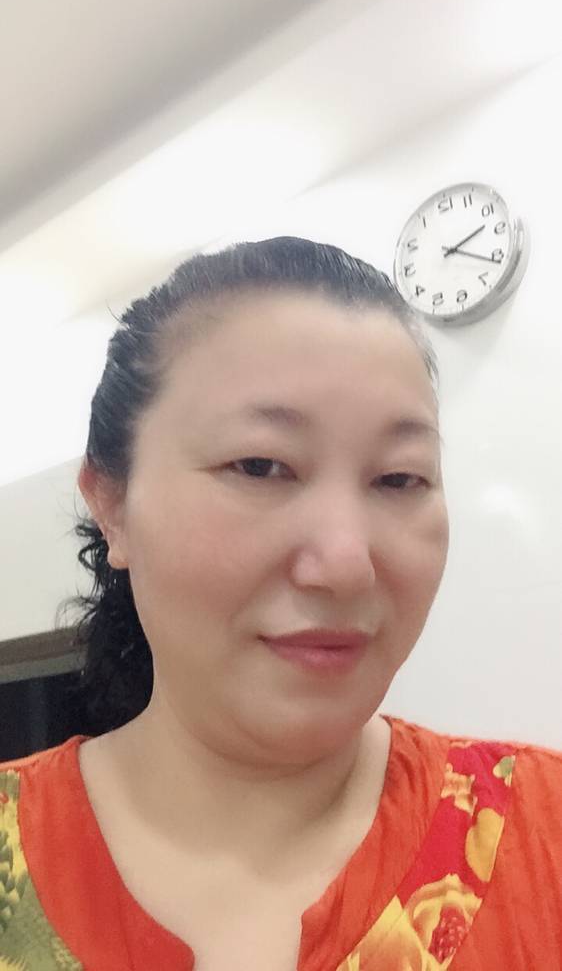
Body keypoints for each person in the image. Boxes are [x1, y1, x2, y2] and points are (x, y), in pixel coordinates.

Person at [0, 236, 560, 970]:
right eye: (260, 466)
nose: (346, 565)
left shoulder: (544, 835)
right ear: (112, 506)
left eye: (399, 479)